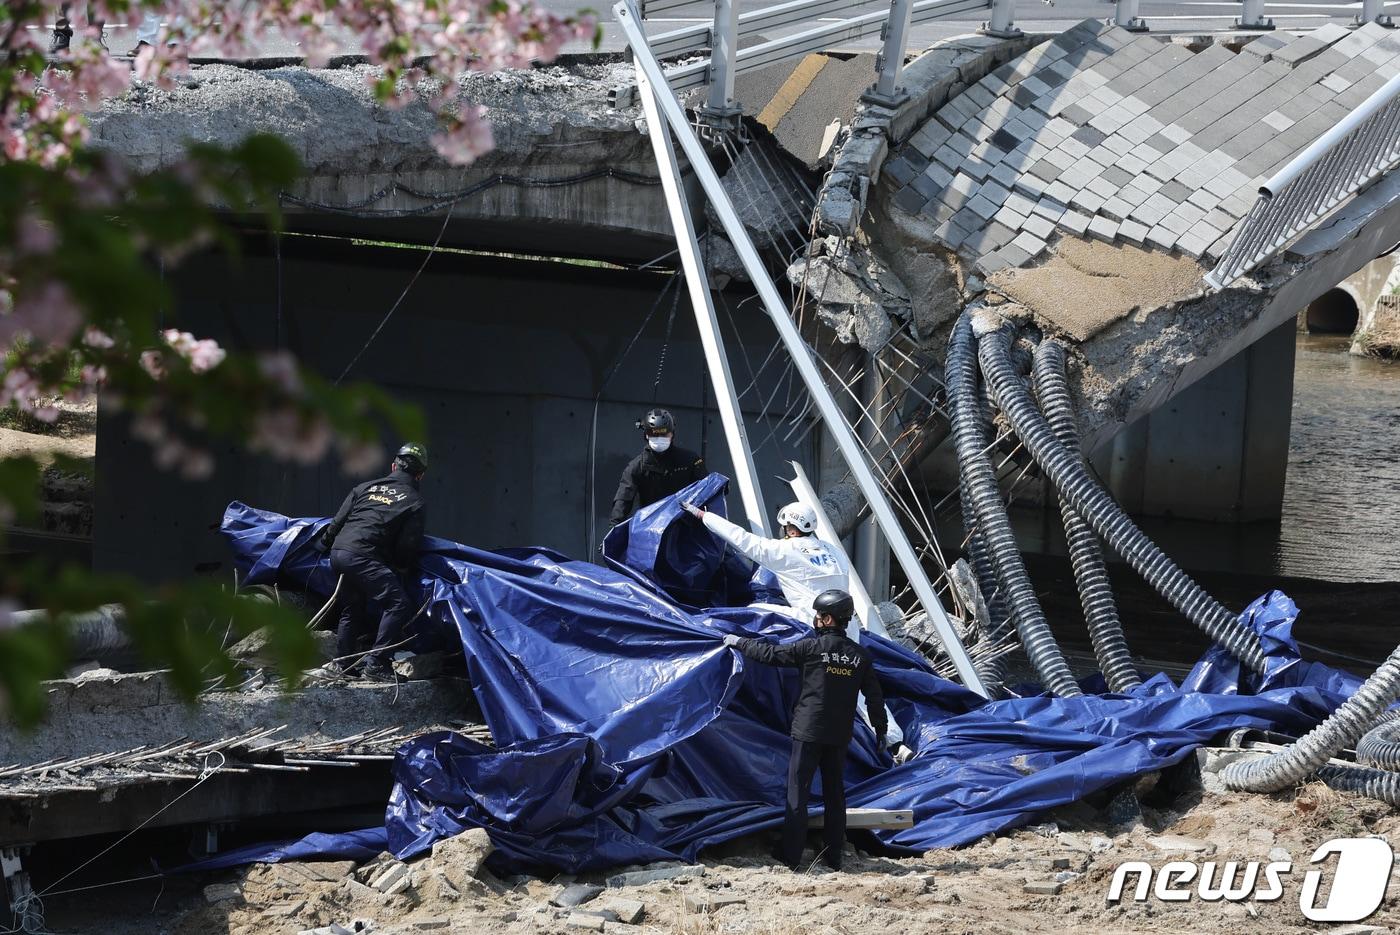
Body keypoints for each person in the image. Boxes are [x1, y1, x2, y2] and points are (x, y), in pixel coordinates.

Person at [722, 588, 886, 871]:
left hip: (808, 731)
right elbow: (874, 698)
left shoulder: (810, 648)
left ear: (828, 619)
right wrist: (881, 730)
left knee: (798, 793)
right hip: (838, 735)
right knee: (836, 795)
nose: (816, 619)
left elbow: (770, 654)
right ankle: (835, 857)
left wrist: (738, 641)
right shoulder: (859, 656)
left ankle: (791, 856)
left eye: (819, 615)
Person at [318, 443, 428, 681]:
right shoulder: (414, 502)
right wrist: (398, 568)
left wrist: (321, 546)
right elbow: (406, 549)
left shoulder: (365, 487)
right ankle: (377, 663)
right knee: (399, 604)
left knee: (352, 608)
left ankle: (342, 665)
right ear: (420, 475)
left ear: (393, 465)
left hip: (338, 553)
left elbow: (336, 524)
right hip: (363, 556)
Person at [681, 500, 848, 619]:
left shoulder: (785, 550)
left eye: (785, 527)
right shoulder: (834, 551)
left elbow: (741, 538)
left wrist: (703, 515)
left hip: (812, 621)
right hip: (846, 627)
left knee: (753, 610)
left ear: (791, 530)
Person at [609, 409, 706, 527]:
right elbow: (623, 501)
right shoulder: (636, 467)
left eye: (664, 434)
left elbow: (708, 487)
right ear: (646, 434)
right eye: (654, 434)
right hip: (651, 530)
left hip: (685, 528)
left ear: (672, 434)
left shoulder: (690, 460)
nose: (659, 438)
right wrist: (614, 531)